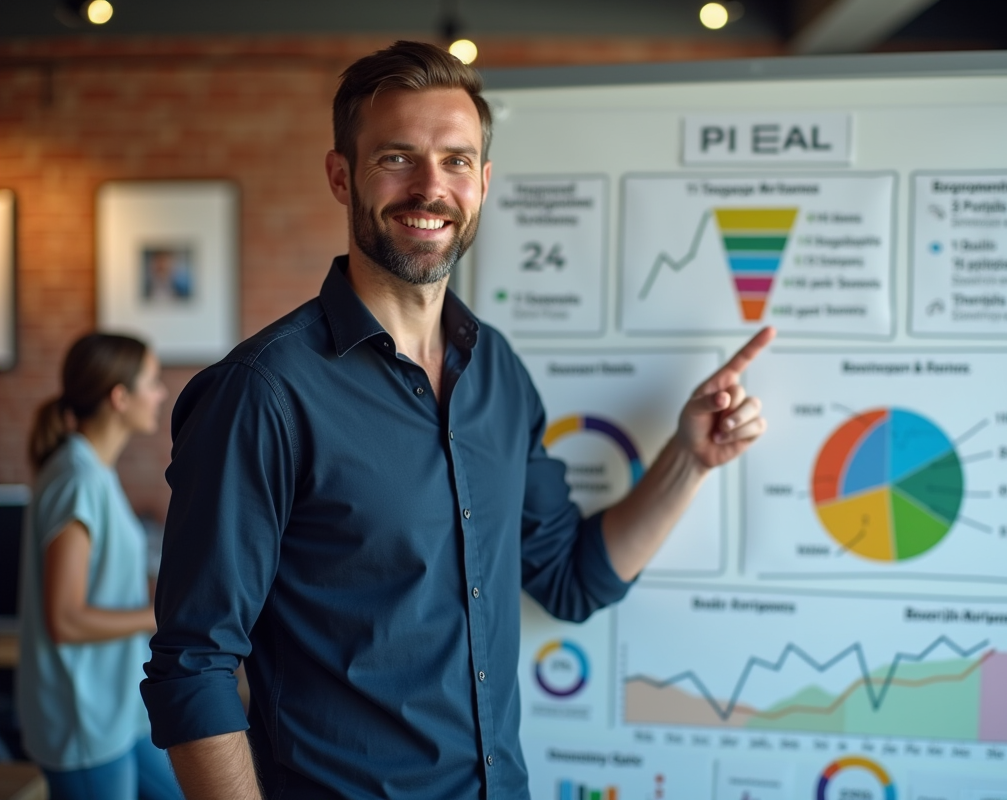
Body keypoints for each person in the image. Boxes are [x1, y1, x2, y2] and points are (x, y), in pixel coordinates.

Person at [141, 41, 773, 800]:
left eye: (457, 161)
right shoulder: (264, 392)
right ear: (342, 177)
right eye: (397, 158)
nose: (430, 187)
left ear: (484, 182)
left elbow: (572, 578)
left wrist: (688, 459)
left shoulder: (496, 370)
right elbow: (193, 664)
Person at [17, 332, 181, 800]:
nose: (161, 392)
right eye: (152, 380)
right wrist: (159, 614)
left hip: (117, 711)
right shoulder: (78, 479)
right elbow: (65, 619)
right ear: (119, 397)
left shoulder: (92, 470)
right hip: (83, 721)